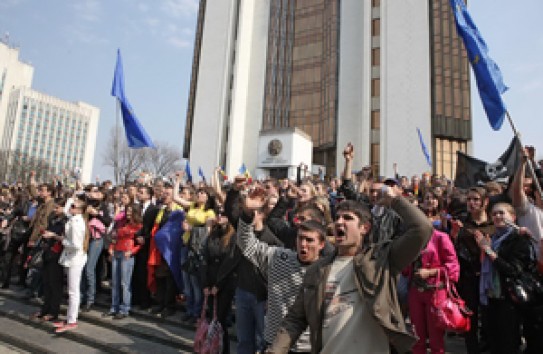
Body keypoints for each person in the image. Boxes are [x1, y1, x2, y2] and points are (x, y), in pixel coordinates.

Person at [269, 185, 433, 354]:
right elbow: (295, 319)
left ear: (365, 228)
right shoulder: (318, 269)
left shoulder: (381, 260)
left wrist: (395, 200)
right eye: (337, 217)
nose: (339, 222)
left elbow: (422, 229)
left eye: (347, 218)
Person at [237, 186, 328, 353]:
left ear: (322, 244)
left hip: (307, 347)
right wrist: (247, 213)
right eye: (300, 238)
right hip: (273, 342)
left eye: (309, 240)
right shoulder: (279, 257)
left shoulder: (327, 271)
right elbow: (246, 244)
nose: (303, 244)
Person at [474, 202, 536, 354]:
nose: (497, 216)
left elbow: (513, 270)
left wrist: (488, 251)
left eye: (502, 213)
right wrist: (485, 250)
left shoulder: (519, 239)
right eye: (494, 214)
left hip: (508, 298)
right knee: (494, 341)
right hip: (492, 297)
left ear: (513, 217)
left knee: (508, 343)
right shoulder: (493, 238)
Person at [452, 187, 495, 354]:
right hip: (468, 276)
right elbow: (452, 250)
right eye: (469, 199)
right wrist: (454, 235)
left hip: (489, 277)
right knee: (470, 316)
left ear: (485, 202)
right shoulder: (462, 221)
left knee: (490, 316)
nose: (472, 203)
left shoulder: (493, 223)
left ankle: (488, 346)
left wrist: (486, 246)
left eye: (476, 199)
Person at [404, 228, 459, 354]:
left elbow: (453, 266)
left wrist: (431, 272)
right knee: (416, 335)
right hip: (415, 291)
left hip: (435, 292)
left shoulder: (440, 237)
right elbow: (406, 269)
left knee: (436, 338)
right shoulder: (411, 238)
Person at [200, 208, 239, 354]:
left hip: (225, 284)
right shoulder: (212, 235)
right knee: (212, 319)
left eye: (223, 214)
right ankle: (212, 348)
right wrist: (205, 284)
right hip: (210, 283)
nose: (220, 216)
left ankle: (224, 350)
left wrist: (218, 285)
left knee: (220, 320)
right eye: (218, 214)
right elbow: (205, 259)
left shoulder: (233, 236)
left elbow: (229, 263)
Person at [54, 199, 88, 333]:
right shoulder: (74, 219)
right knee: (71, 290)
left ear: (79, 210)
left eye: (74, 206)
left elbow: (76, 245)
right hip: (71, 258)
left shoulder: (77, 223)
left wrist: (62, 240)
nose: (71, 208)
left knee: (73, 291)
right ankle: (69, 317)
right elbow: (68, 206)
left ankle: (72, 320)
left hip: (75, 258)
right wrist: (71, 201)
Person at [31, 197, 68, 322]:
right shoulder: (52, 218)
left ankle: (53, 311)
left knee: (55, 284)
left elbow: (65, 239)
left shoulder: (66, 221)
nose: (55, 209)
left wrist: (54, 235)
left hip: (57, 254)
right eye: (55, 207)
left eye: (58, 207)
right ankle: (44, 308)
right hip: (47, 251)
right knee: (46, 282)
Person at [104, 204, 143, 319]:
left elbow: (140, 243)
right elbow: (115, 237)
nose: (129, 213)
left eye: (131, 211)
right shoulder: (122, 222)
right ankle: (114, 306)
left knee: (125, 283)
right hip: (117, 251)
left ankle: (125, 308)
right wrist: (111, 248)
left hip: (127, 253)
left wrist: (132, 251)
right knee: (115, 282)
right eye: (127, 210)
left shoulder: (138, 226)